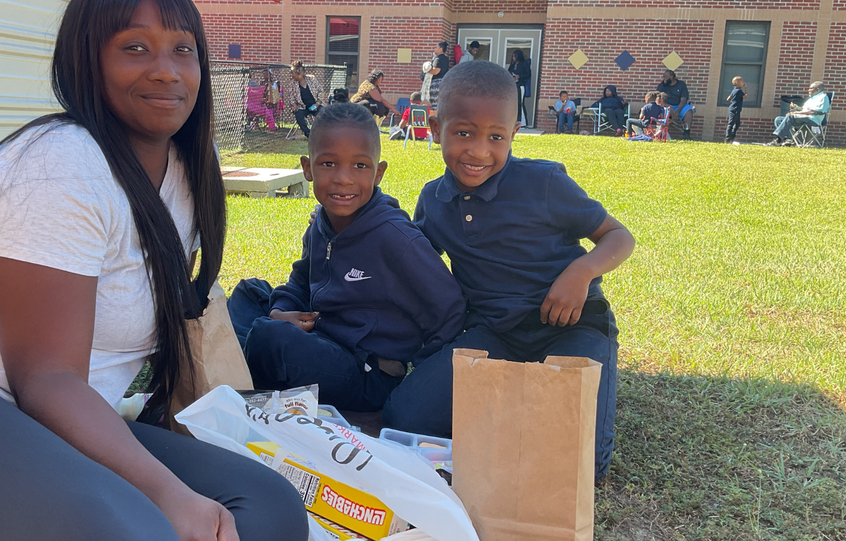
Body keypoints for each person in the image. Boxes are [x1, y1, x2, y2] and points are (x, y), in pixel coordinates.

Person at [0, 0, 307, 541]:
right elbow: (47, 377)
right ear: (86, 61)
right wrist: (168, 495)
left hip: (39, 423)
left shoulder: (181, 173)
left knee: (265, 507)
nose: (166, 69)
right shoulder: (61, 163)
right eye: (135, 47)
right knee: (138, 529)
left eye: (183, 49)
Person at [383, 60, 635, 482]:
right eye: (463, 133)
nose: (479, 151)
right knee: (404, 417)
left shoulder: (545, 184)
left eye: (496, 137)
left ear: (514, 135)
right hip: (493, 332)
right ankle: (511, 403)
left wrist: (581, 272)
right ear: (433, 125)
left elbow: (618, 236)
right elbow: (418, 273)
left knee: (580, 463)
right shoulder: (434, 200)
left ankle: (528, 405)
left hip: (572, 327)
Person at [228, 103, 466, 413]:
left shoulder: (395, 238)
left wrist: (418, 377)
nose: (343, 178)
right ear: (308, 168)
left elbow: (450, 309)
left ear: (378, 173)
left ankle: (245, 366)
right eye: (328, 164)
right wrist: (281, 310)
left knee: (268, 338)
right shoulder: (322, 224)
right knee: (251, 292)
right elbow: (301, 280)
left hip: (367, 373)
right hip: (321, 337)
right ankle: (250, 357)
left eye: (359, 166)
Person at [767, 80, 829, 146]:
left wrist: (796, 113)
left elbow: (813, 111)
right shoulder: (812, 98)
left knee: (790, 116)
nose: (808, 90)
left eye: (811, 88)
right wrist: (796, 108)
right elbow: (805, 110)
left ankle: (778, 140)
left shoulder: (822, 97)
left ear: (817, 89)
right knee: (778, 119)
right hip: (803, 119)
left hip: (812, 120)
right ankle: (787, 140)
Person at [657, 69, 694, 139]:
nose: (664, 79)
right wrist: (667, 106)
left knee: (688, 110)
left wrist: (677, 111)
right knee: (662, 110)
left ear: (671, 77)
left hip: (679, 106)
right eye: (663, 77)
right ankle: (663, 133)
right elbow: (658, 99)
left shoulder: (681, 84)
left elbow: (684, 100)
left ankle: (686, 132)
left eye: (666, 77)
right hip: (667, 106)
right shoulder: (662, 85)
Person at [290, 59, 321, 137]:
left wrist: (317, 104)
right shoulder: (292, 84)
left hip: (315, 105)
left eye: (292, 73)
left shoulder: (312, 79)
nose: (291, 75)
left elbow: (321, 91)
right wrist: (294, 105)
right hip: (302, 107)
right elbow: (291, 97)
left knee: (323, 112)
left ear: (299, 73)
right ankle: (308, 134)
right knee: (298, 114)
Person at [507, 49, 532, 127]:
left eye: (515, 56)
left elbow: (528, 75)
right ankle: (515, 121)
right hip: (513, 86)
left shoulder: (524, 64)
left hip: (521, 86)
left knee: (520, 103)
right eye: (513, 56)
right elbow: (508, 72)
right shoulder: (512, 65)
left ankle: (523, 122)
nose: (513, 58)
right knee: (514, 104)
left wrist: (519, 76)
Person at [725, 76, 748, 144]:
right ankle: (728, 138)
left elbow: (728, 98)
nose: (743, 83)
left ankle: (732, 137)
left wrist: (733, 102)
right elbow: (746, 96)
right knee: (731, 124)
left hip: (735, 109)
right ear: (737, 83)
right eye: (741, 81)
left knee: (737, 124)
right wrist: (746, 88)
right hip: (734, 109)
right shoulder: (738, 91)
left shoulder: (734, 90)